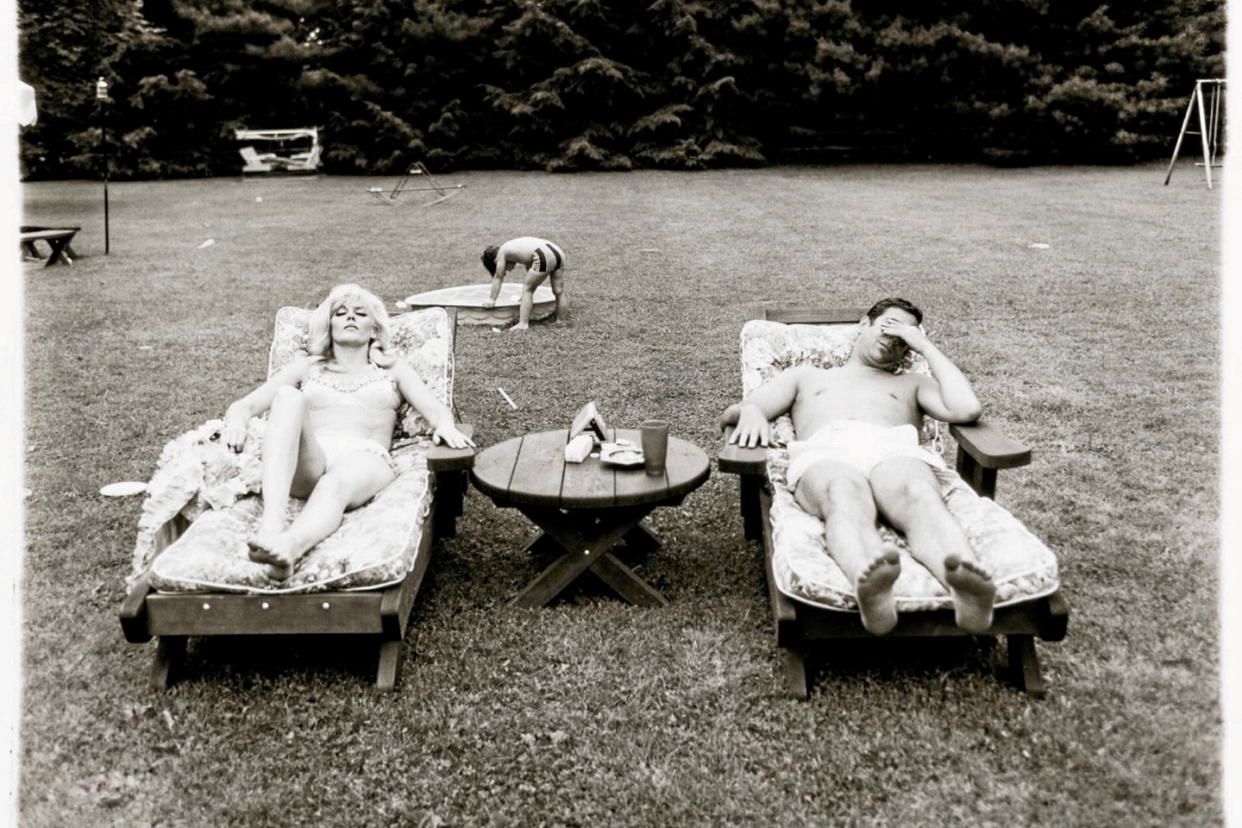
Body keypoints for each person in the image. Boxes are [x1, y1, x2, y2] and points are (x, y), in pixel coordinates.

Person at [720, 298, 995, 635]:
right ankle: (870, 583)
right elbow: (743, 410)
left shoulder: (911, 384)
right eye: (889, 325)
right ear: (864, 324)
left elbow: (967, 409)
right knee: (842, 494)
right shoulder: (807, 376)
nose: (895, 337)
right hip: (827, 451)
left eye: (904, 336)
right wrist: (750, 412)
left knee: (919, 494)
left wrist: (924, 344)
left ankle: (965, 586)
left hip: (893, 449)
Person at [224, 284, 474, 579]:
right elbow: (245, 405)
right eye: (340, 313)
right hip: (312, 456)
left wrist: (444, 425)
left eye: (360, 313)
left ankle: (288, 549)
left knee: (334, 485)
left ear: (374, 329)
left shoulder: (392, 369)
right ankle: (272, 525)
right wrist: (236, 422)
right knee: (288, 397)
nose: (350, 318)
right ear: (329, 326)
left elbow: (435, 409)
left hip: (365, 457)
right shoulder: (307, 368)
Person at [480, 236, 568, 330]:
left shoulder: (501, 253)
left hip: (543, 254)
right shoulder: (515, 248)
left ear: (495, 261)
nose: (508, 270)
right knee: (559, 291)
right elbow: (531, 268)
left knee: (527, 289)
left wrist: (491, 299)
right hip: (558, 251)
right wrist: (524, 299)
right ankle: (561, 321)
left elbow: (498, 277)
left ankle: (523, 324)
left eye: (506, 269)